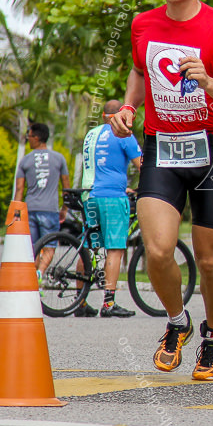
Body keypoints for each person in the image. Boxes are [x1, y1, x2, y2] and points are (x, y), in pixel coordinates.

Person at [109, 0, 213, 381]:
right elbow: (139, 69)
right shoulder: (143, 25)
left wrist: (209, 82)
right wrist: (130, 109)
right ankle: (177, 323)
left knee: (210, 260)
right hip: (162, 146)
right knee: (156, 249)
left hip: (212, 147)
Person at [76, 100, 143, 318]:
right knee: (115, 247)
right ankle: (108, 304)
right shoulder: (123, 134)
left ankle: (80, 301)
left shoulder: (91, 134)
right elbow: (143, 164)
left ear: (105, 115)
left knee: (89, 247)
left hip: (89, 195)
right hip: (112, 197)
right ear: (121, 116)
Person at [15, 123, 71, 251]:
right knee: (49, 247)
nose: (27, 139)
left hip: (30, 210)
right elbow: (66, 188)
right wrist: (64, 209)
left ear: (36, 137)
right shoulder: (59, 158)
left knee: (33, 249)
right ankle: (41, 271)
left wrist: (16, 213)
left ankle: (36, 271)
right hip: (50, 210)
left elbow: (19, 189)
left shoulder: (25, 160)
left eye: (29, 136)